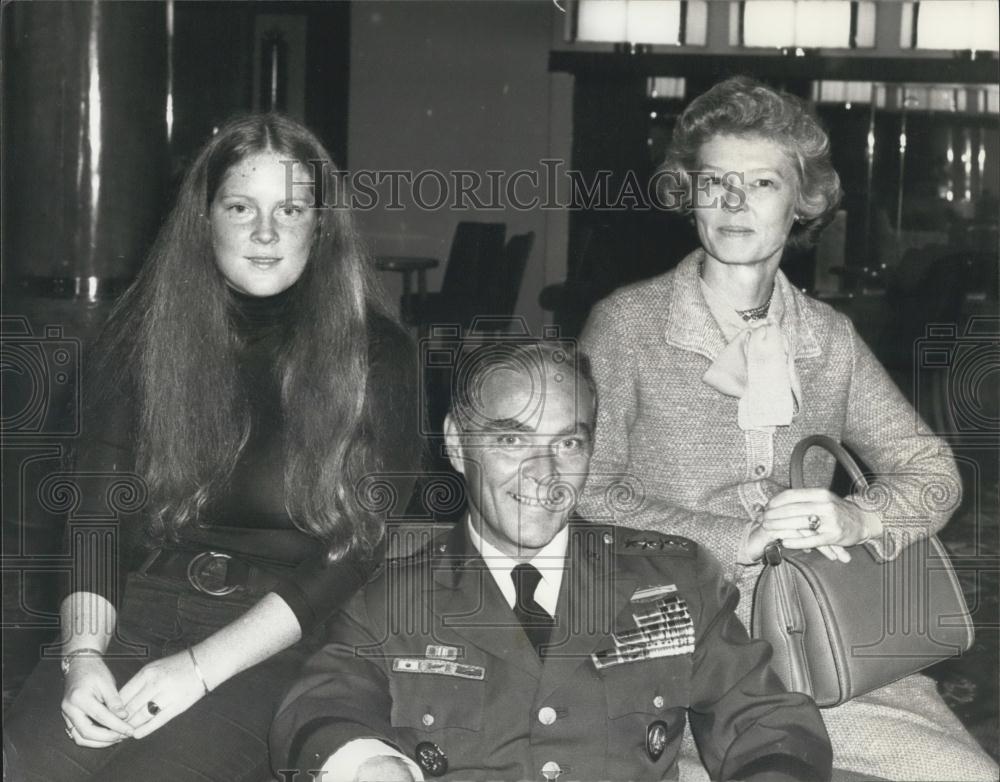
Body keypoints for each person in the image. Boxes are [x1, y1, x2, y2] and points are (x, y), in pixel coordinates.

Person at [578, 76, 998, 782]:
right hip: (663, 644)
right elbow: (583, 495)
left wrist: (855, 518)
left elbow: (934, 475)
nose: (735, 203)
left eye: (762, 183)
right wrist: (727, 538)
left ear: (802, 203)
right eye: (715, 182)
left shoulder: (827, 339)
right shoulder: (627, 326)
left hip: (818, 642)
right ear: (690, 197)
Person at [3, 114, 421, 781]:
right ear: (205, 220)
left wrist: (199, 669)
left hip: (274, 638)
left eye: (290, 208)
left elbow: (351, 555)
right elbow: (94, 518)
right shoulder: (139, 337)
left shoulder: (381, 356)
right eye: (240, 206)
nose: (265, 232)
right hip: (130, 608)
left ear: (322, 223)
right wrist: (82, 656)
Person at [269, 341, 834, 782]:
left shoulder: (671, 582)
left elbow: (769, 721)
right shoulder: (387, 601)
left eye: (569, 444)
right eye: (512, 442)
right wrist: (366, 763)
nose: (545, 475)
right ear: (457, 443)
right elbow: (321, 709)